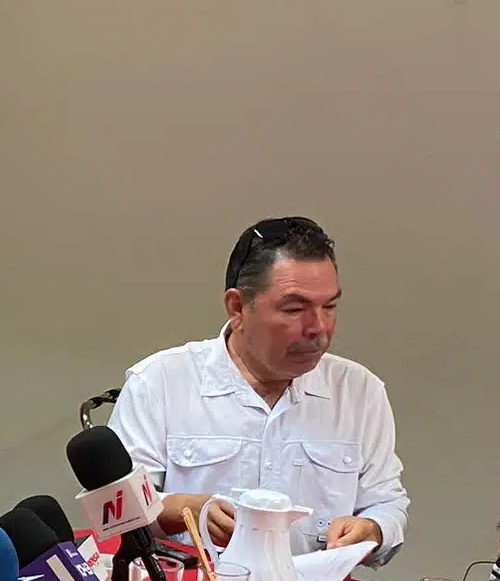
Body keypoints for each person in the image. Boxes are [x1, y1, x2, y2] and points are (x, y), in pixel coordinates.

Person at [108, 217, 408, 562]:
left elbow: (388, 503)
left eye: (330, 307)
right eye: (295, 309)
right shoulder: (160, 381)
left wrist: (373, 529)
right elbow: (112, 510)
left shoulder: (359, 392)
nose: (319, 328)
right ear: (237, 308)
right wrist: (181, 509)